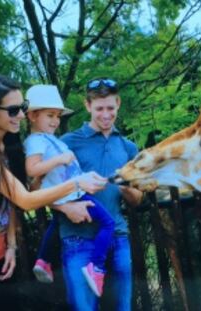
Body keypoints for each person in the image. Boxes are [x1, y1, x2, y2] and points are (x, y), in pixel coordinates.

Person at [0, 74, 106, 311]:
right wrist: (77, 183)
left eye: (23, 107)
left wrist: (9, 245)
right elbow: (25, 200)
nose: (21, 115)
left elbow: (13, 202)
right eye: (13, 110)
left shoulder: (9, 147)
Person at [55, 78, 143, 310]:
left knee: (122, 307)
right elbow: (40, 189)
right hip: (78, 239)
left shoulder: (128, 147)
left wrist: (125, 187)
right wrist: (64, 207)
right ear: (87, 106)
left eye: (110, 108)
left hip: (118, 237)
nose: (106, 115)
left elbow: (138, 200)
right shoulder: (67, 143)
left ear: (118, 104)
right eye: (99, 109)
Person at [24, 84, 115, 296]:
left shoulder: (48, 138)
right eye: (50, 115)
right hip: (70, 193)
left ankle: (44, 260)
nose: (55, 121)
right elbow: (32, 168)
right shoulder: (36, 141)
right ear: (32, 116)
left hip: (72, 190)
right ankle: (96, 267)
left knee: (56, 222)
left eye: (57, 116)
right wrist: (60, 159)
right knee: (108, 223)